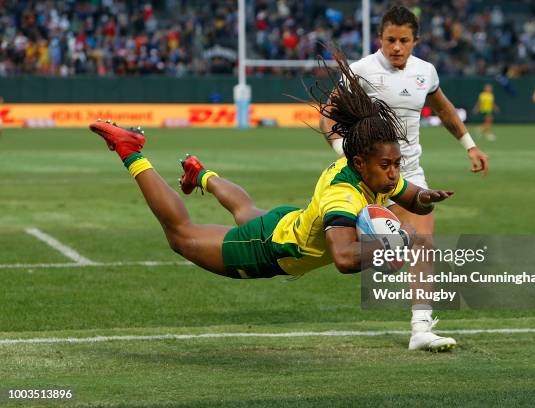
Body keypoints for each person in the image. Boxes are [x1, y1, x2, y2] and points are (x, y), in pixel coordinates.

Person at [89, 54, 455, 350]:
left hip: (288, 223)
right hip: (270, 250)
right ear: (360, 163)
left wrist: (425, 197)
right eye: (388, 166)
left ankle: (199, 174)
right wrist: (392, 246)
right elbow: (343, 258)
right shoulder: (343, 195)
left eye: (397, 166)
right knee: (180, 236)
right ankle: (130, 151)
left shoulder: (373, 171)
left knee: (246, 212)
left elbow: (412, 198)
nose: (394, 174)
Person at [321, 5, 488, 352]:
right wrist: (342, 151)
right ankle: (384, 251)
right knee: (338, 249)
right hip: (364, 176)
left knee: (424, 243)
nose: (396, 47)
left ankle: (421, 328)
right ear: (380, 38)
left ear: (415, 41)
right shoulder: (362, 70)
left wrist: (470, 146)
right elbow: (328, 114)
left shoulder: (425, 72)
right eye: (390, 40)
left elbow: (443, 110)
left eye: (404, 40)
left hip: (408, 173)